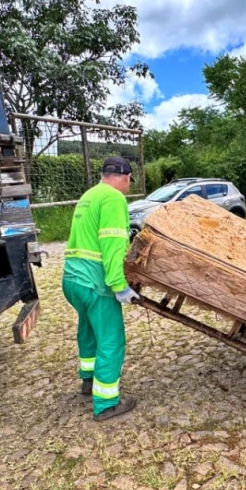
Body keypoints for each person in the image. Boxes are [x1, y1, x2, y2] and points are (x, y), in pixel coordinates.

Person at [62, 156, 141, 421]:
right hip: (96, 283)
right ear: (126, 177)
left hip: (72, 280)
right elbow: (113, 245)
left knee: (88, 331)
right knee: (110, 339)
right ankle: (106, 404)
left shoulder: (90, 195)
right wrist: (120, 286)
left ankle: (88, 380)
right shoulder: (114, 198)